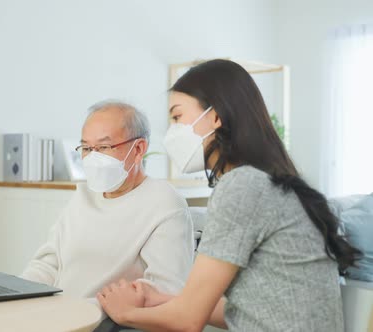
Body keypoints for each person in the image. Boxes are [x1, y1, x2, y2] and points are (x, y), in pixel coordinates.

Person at [96, 60, 362, 332]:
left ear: (215, 116)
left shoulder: (243, 187)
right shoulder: (268, 183)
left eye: (177, 117)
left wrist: (124, 313)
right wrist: (161, 300)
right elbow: (252, 312)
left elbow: (187, 321)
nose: (173, 131)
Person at [20, 100, 194, 309]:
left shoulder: (164, 202)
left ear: (138, 149)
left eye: (103, 147)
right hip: (56, 315)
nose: (93, 157)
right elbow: (48, 264)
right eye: (86, 148)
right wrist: (18, 295)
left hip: (101, 322)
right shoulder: (83, 196)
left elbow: (165, 289)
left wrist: (82, 310)